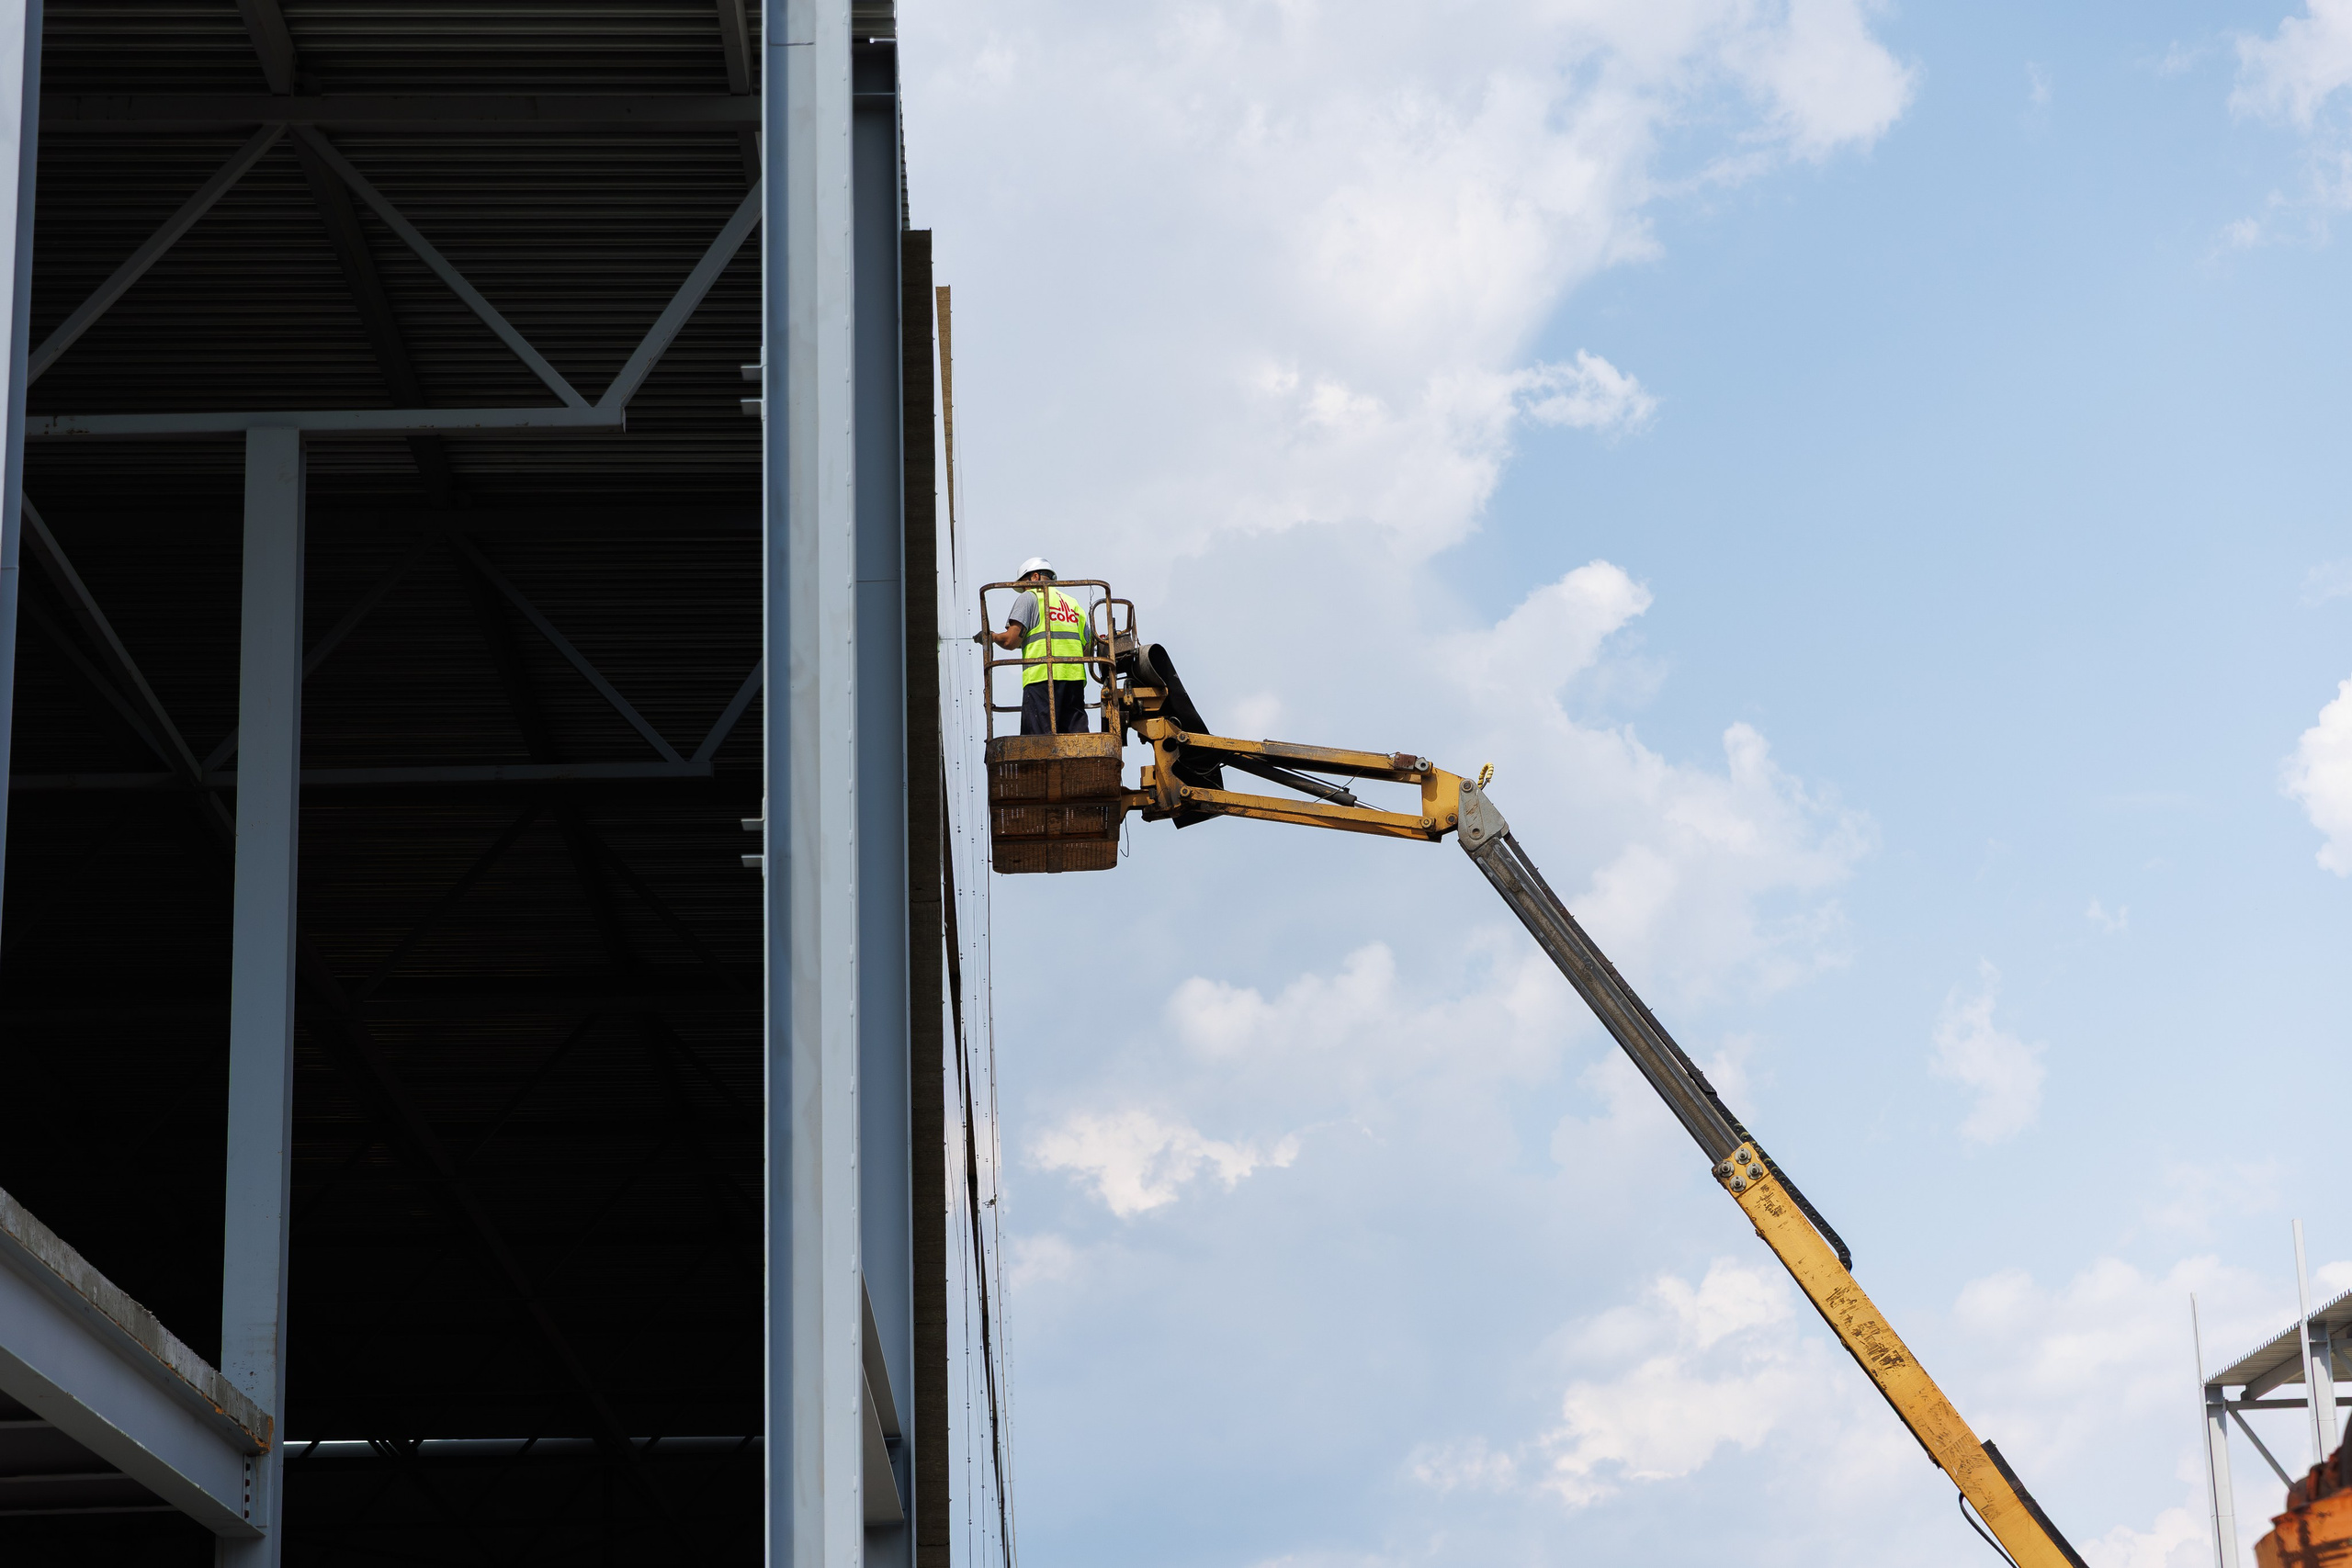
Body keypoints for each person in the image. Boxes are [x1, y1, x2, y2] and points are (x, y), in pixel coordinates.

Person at [978, 556, 1090, 734]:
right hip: (1074, 680)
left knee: (1039, 741)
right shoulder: (1072, 603)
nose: (1023, 590)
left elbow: (1011, 641)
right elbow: (1087, 647)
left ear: (1035, 577)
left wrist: (990, 636)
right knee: (1076, 740)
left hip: (1041, 678)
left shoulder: (1031, 597)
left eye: (1023, 585)